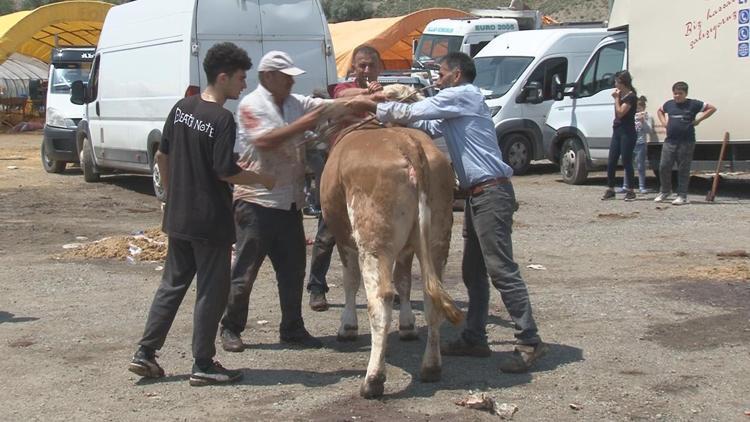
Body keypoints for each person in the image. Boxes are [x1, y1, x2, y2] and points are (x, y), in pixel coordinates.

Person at [347, 52, 546, 373]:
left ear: (455, 75)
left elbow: (412, 110)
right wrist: (393, 115)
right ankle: (475, 338)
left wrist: (370, 104)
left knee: (501, 269)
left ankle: (530, 340)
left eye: (440, 73)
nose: (436, 78)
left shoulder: (462, 95)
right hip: (478, 195)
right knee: (473, 271)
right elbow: (425, 122)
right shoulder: (455, 104)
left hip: (491, 192)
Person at [128, 42, 273, 386]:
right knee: (212, 290)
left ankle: (145, 353)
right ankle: (204, 363)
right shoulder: (222, 119)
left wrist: (168, 193)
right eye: (240, 78)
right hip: (210, 221)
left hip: (178, 217)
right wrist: (261, 177)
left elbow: (163, 155)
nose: (243, 84)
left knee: (172, 286)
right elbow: (225, 171)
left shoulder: (182, 107)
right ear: (222, 77)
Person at [220, 50, 332, 352]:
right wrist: (305, 123)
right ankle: (230, 326)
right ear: (268, 76)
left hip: (289, 203)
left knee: (293, 270)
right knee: (245, 272)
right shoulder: (250, 105)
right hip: (256, 203)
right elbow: (265, 141)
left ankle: (292, 328)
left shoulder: (296, 104)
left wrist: (358, 99)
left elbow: (326, 108)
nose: (290, 83)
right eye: (286, 77)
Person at [307, 44, 385, 312]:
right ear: (353, 67)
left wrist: (385, 95)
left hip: (376, 174)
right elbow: (344, 96)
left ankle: (386, 285)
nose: (366, 70)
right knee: (328, 229)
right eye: (361, 65)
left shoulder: (387, 93)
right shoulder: (343, 90)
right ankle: (317, 287)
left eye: (371, 65)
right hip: (342, 172)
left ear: (380, 67)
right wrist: (368, 93)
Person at [655, 81, 717, 205]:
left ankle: (682, 195)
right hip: (670, 141)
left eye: (680, 93)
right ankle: (665, 191)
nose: (677, 96)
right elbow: (660, 111)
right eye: (675, 93)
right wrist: (664, 122)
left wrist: (699, 120)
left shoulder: (693, 104)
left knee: (683, 169)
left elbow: (712, 108)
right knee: (664, 166)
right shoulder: (669, 104)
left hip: (686, 141)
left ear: (685, 93)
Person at [601, 71, 638, 201]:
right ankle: (610, 189)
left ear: (623, 83)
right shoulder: (621, 95)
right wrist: (617, 97)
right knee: (611, 160)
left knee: (626, 161)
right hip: (617, 130)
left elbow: (621, 112)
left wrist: (616, 99)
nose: (615, 84)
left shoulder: (631, 97)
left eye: (617, 82)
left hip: (627, 132)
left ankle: (631, 190)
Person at [624, 96, 658, 193]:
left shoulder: (648, 116)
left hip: (641, 143)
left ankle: (641, 186)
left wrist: (643, 121)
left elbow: (649, 130)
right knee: (628, 165)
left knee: (640, 166)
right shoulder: (630, 115)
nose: (637, 110)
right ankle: (625, 186)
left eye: (639, 107)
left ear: (643, 107)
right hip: (630, 143)